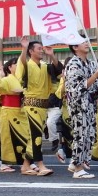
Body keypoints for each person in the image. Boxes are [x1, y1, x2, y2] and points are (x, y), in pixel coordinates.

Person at [16, 36, 62, 176]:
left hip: (43, 106)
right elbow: (22, 64)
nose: (42, 51)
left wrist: (52, 55)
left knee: (34, 137)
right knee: (36, 136)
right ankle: (40, 165)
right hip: (31, 105)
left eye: (42, 49)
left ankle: (25, 166)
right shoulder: (26, 63)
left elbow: (58, 70)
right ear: (31, 51)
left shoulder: (44, 66)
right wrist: (23, 48)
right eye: (39, 49)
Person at [65, 38, 98, 179]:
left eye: (85, 41)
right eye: (82, 42)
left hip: (89, 106)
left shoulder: (89, 64)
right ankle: (78, 169)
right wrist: (95, 76)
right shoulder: (73, 64)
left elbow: (92, 87)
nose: (86, 44)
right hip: (78, 107)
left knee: (89, 135)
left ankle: (75, 163)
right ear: (75, 47)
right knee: (81, 136)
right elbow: (76, 89)